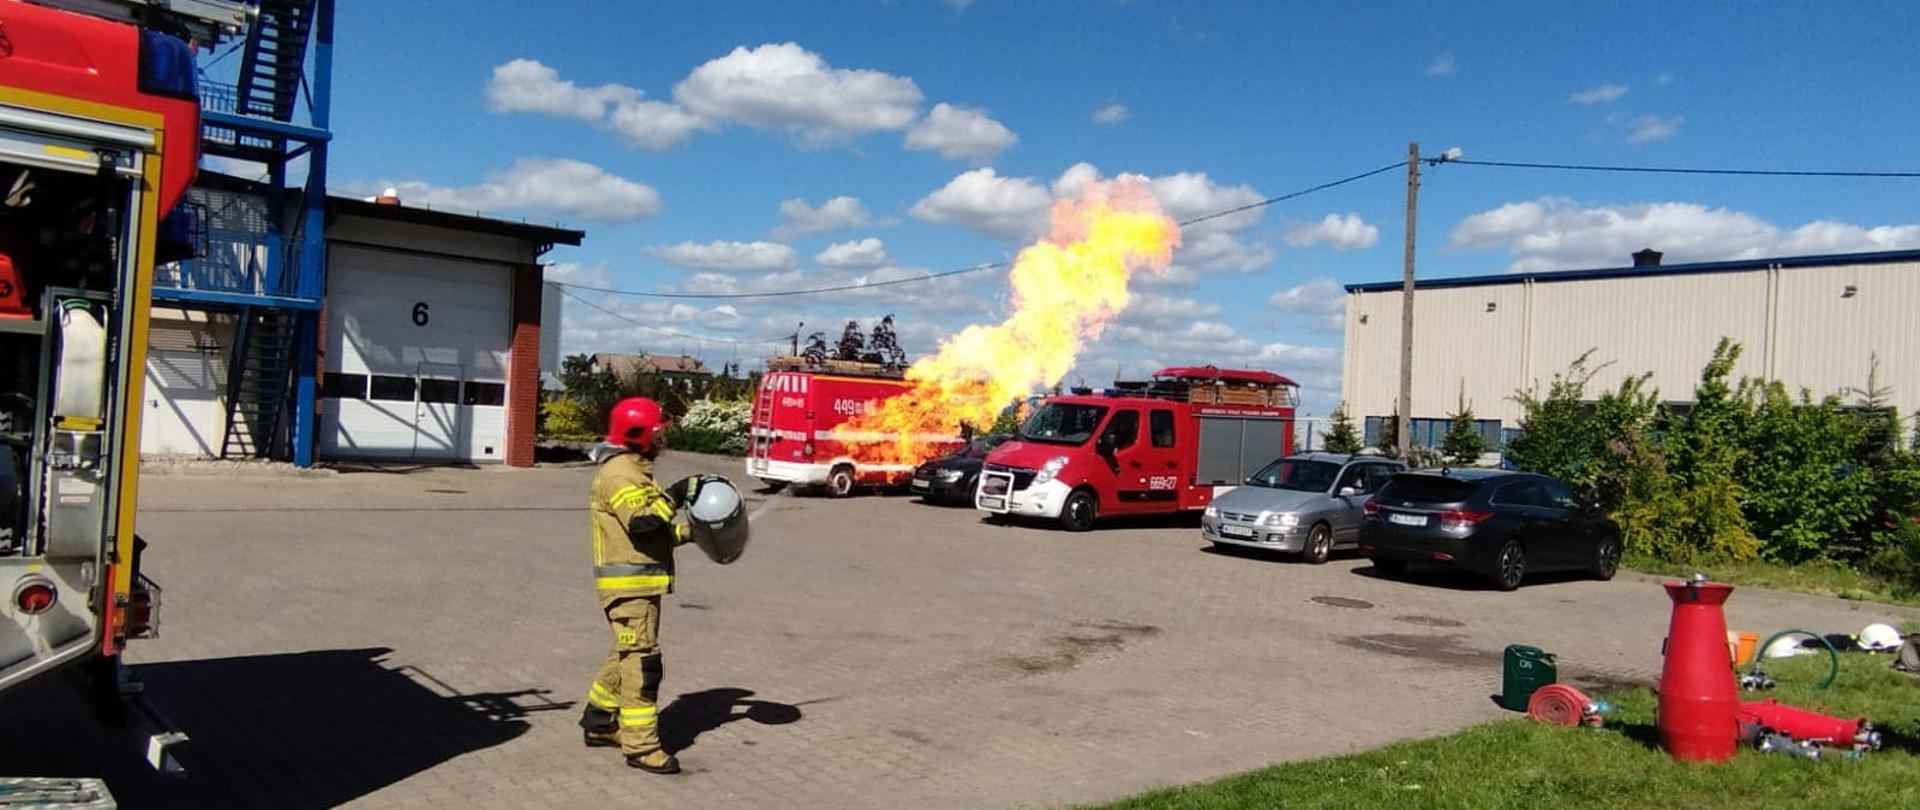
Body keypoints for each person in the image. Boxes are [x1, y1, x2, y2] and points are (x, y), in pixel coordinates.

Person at [578, 397, 700, 774]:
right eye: (659, 431)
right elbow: (642, 523)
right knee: (644, 665)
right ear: (640, 434)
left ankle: (600, 721)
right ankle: (641, 746)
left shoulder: (635, 468)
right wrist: (677, 495)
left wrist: (692, 533)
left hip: (639, 586)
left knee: (626, 652)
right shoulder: (621, 473)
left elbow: (653, 533)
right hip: (629, 589)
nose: (663, 437)